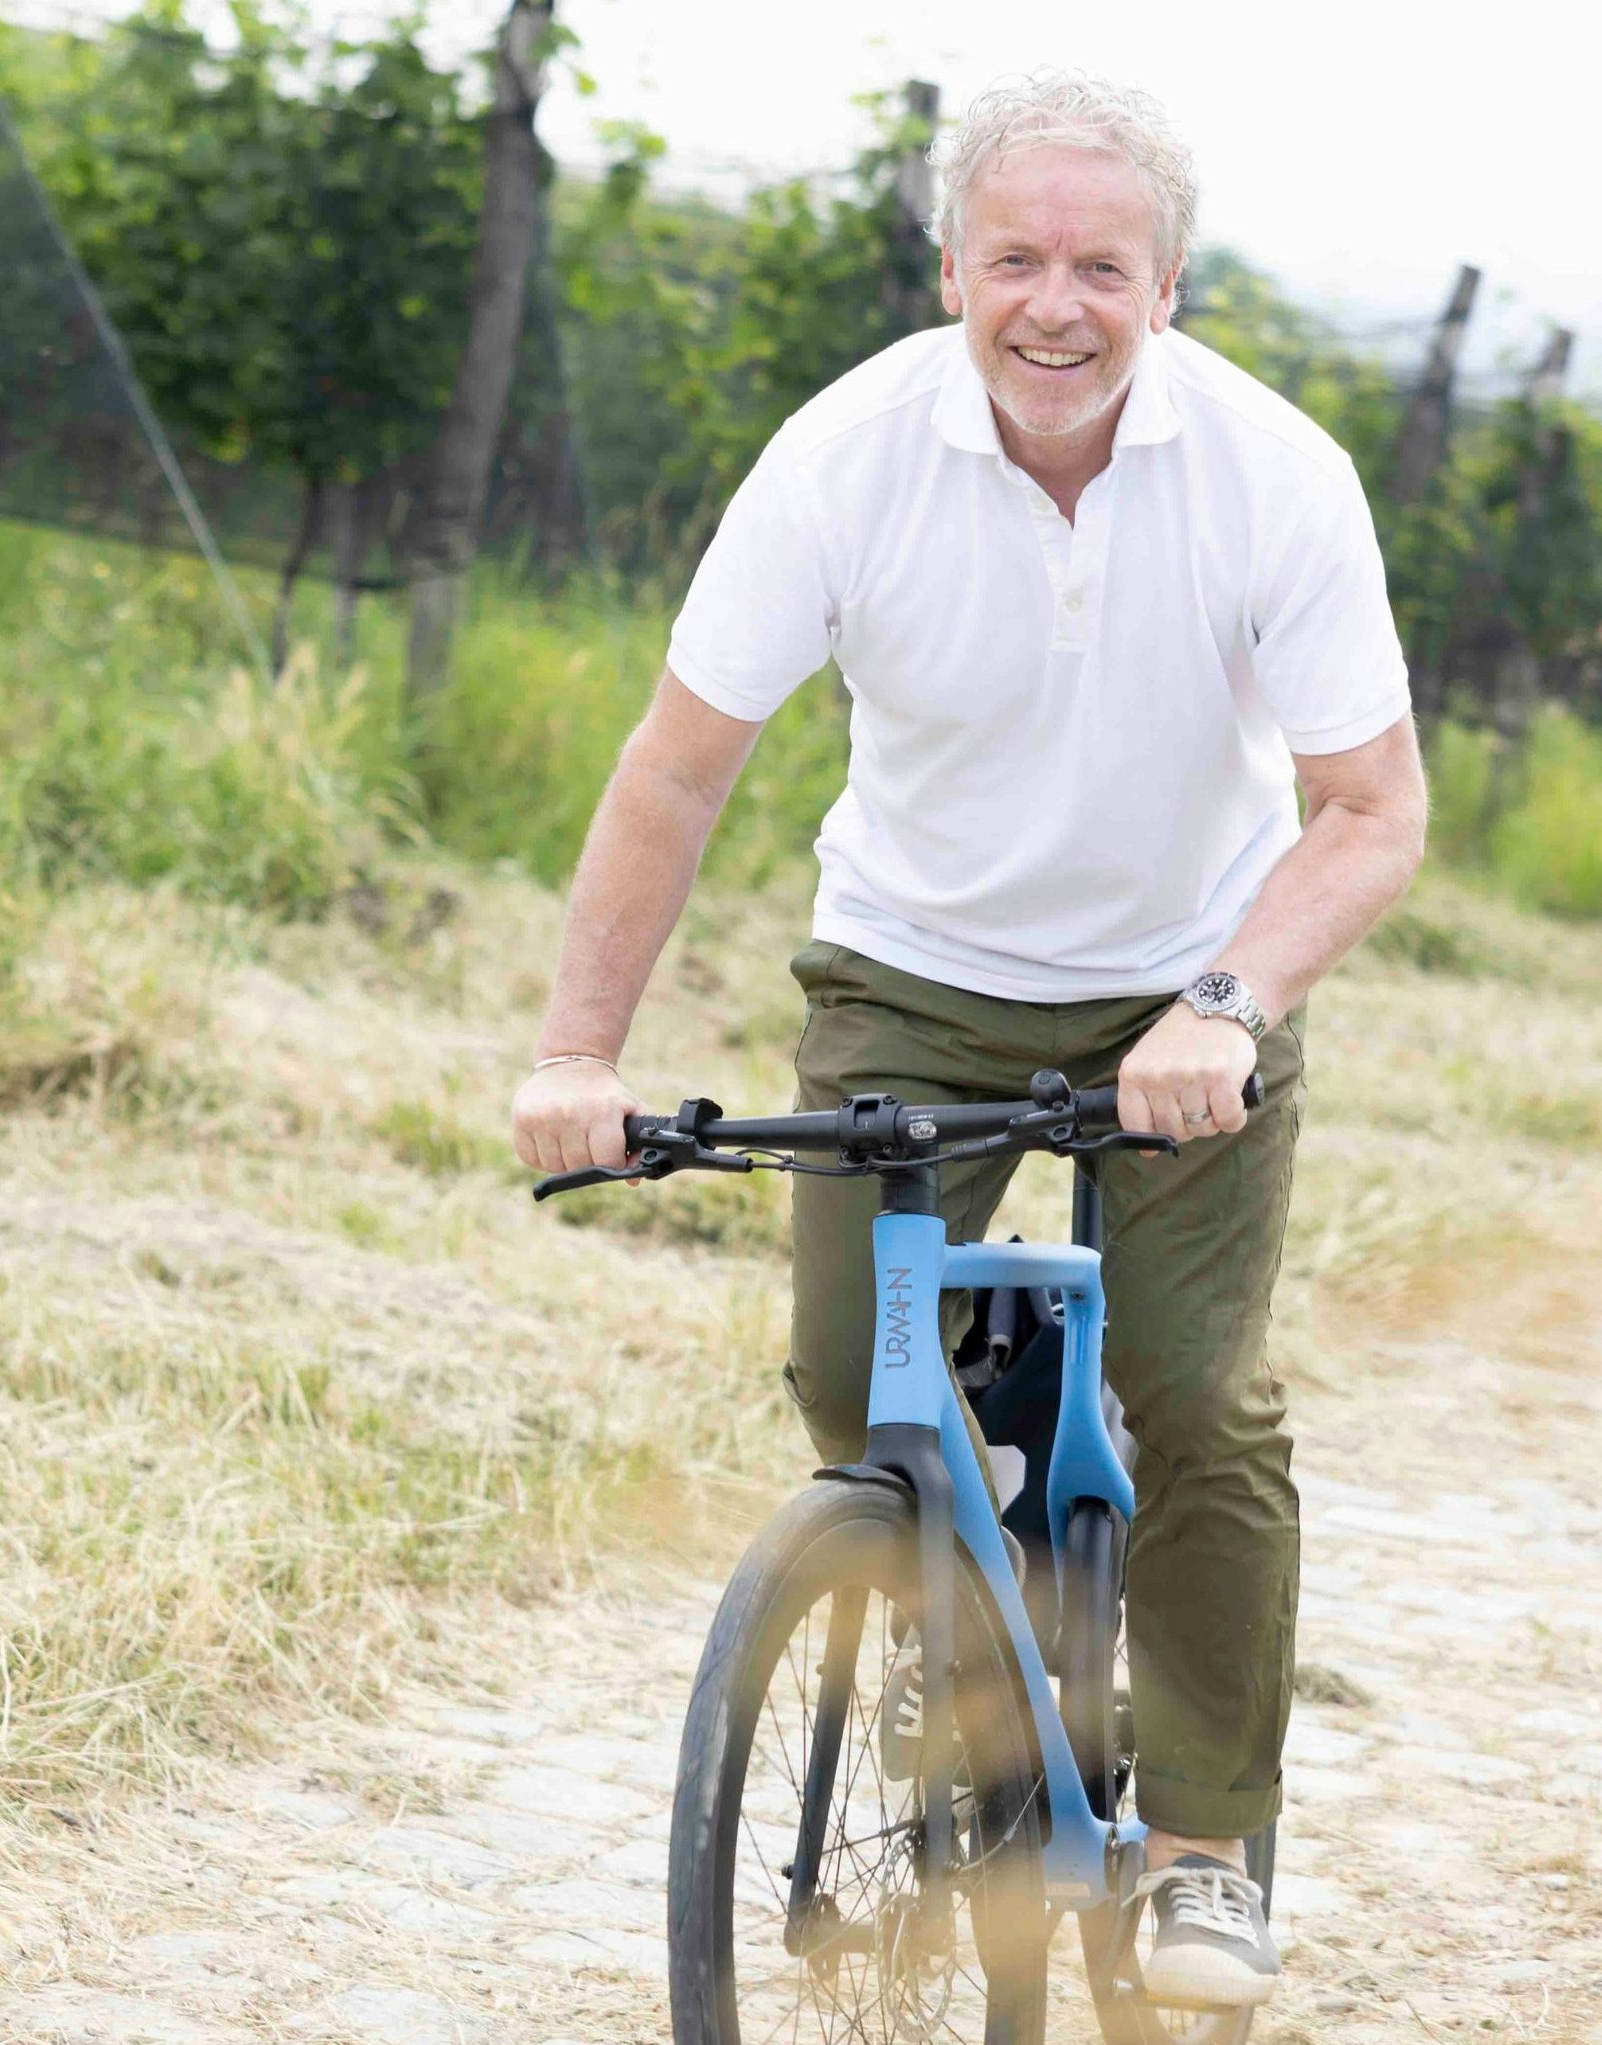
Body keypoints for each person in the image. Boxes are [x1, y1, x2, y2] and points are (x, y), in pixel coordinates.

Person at [507, 68, 1427, 2011]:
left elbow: (1371, 810)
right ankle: (972, 1637)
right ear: (950, 272)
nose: (1055, 305)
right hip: (915, 971)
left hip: (1188, 987)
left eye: (1101, 267)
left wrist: (1226, 1004)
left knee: (1196, 1393)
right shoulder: (844, 461)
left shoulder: (1274, 478)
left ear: (1168, 286)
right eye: (1015, 259)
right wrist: (578, 1052)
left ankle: (1198, 1850)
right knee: (859, 1375)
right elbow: (676, 771)